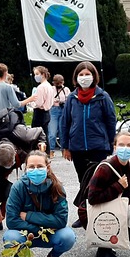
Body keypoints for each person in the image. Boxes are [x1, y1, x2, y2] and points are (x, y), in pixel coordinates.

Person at [60, 61, 117, 226]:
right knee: (82, 181)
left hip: (98, 147)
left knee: (98, 182)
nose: (84, 77)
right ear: (76, 78)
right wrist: (65, 146)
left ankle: (98, 213)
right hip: (77, 148)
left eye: (87, 74)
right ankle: (83, 213)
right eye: (81, 74)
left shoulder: (102, 97)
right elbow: (65, 122)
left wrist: (110, 142)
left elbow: (110, 120)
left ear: (94, 76)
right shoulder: (72, 98)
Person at [3, 151, 76, 257]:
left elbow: (61, 221)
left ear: (47, 167)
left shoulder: (57, 187)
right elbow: (11, 221)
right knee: (10, 238)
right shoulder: (18, 187)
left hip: (49, 234)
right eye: (31, 167)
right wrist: (39, 229)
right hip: (27, 234)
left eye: (40, 166)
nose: (35, 170)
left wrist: (29, 216)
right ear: (25, 168)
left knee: (68, 236)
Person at [82, 131, 130, 257]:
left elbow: (129, 197)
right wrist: (118, 186)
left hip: (114, 211)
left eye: (129, 145)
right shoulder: (105, 168)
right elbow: (92, 198)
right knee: (119, 216)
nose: (125, 148)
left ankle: (111, 241)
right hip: (95, 212)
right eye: (121, 145)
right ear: (115, 147)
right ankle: (103, 249)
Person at [0, 110, 47, 235]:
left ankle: (39, 216)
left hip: (28, 154)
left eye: (10, 164)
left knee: (34, 182)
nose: (9, 167)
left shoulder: (23, 134)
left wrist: (42, 142)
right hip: (8, 159)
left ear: (15, 153)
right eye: (6, 166)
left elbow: (40, 131)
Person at [24, 66, 55, 151]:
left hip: (40, 112)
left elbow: (38, 102)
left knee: (37, 134)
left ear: (43, 74)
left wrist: (30, 103)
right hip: (47, 112)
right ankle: (47, 151)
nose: (35, 76)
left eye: (37, 74)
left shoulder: (41, 87)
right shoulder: (49, 86)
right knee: (45, 133)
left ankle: (38, 152)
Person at [49, 74, 69, 155]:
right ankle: (51, 149)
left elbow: (69, 99)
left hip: (63, 110)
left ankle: (63, 149)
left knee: (62, 131)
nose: (59, 85)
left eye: (60, 83)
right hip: (53, 110)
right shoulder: (51, 89)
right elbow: (48, 99)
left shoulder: (66, 89)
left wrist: (63, 101)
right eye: (57, 84)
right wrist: (55, 101)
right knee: (52, 133)